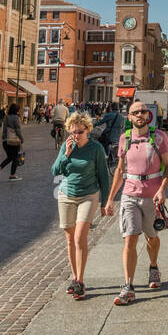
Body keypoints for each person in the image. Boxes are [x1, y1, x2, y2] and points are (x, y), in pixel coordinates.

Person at [103, 102, 168, 304]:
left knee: (152, 237)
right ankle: (128, 286)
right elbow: (119, 170)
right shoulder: (125, 138)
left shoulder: (159, 137)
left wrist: (162, 189)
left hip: (152, 196)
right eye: (136, 112)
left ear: (148, 116)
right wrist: (110, 199)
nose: (140, 114)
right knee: (130, 239)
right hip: (129, 194)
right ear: (129, 117)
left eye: (143, 111)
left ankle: (153, 266)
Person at [51, 110, 111, 300]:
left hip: (88, 195)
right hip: (66, 195)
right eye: (73, 132)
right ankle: (75, 278)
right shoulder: (66, 146)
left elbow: (103, 176)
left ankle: (81, 281)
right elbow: (55, 170)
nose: (76, 135)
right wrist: (66, 154)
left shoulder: (96, 149)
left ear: (87, 130)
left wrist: (105, 201)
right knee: (70, 240)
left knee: (79, 238)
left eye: (80, 132)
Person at [0, 103, 24, 181]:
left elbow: (4, 129)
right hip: (13, 141)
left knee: (10, 157)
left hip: (5, 140)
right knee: (15, 158)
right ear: (16, 110)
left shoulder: (6, 117)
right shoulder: (16, 118)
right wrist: (21, 139)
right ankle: (12, 175)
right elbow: (17, 130)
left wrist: (4, 138)